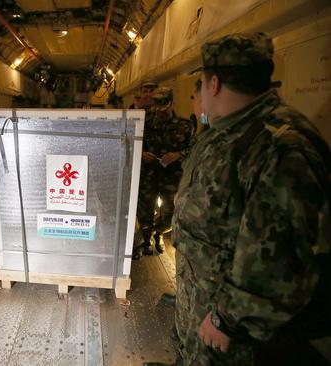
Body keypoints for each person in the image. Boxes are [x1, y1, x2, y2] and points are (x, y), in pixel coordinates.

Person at [146, 33, 331, 366]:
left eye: (201, 83)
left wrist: (226, 318)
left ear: (213, 83)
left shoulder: (281, 145)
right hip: (202, 298)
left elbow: (279, 256)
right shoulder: (228, 132)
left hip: (232, 325)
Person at [135, 87, 194, 258]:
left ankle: (159, 232)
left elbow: (193, 149)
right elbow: (131, 144)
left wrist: (178, 155)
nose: (159, 110)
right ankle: (147, 240)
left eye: (163, 105)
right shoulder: (144, 124)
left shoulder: (185, 125)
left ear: (171, 104)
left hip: (172, 177)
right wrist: (141, 153)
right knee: (144, 211)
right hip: (149, 175)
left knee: (170, 213)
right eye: (156, 105)